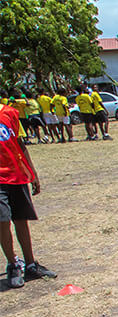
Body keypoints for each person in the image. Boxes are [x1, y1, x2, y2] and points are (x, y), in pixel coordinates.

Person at [1, 99, 57, 288]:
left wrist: (32, 173)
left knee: (21, 219)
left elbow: (19, 144)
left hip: (16, 175)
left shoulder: (10, 113)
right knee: (2, 220)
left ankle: (31, 264)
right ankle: (13, 264)